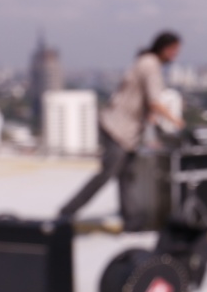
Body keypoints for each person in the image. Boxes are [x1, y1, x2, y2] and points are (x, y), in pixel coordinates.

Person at [57, 31, 185, 220]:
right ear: (165, 48)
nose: (176, 55)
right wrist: (176, 121)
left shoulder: (144, 61)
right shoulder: (150, 65)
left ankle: (132, 220)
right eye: (174, 50)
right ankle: (67, 212)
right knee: (107, 175)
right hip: (118, 129)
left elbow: (145, 103)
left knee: (126, 176)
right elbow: (154, 102)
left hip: (124, 130)